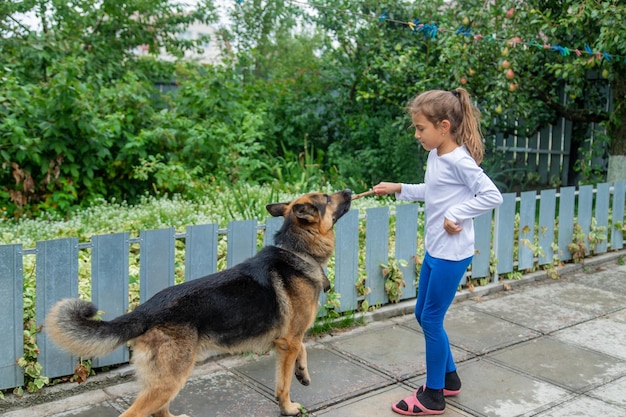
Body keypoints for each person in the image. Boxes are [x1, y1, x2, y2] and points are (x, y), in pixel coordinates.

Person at [373, 88, 503, 416]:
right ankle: (450, 379)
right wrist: (399, 188)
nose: (417, 134)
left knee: (431, 318)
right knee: (422, 314)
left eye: (420, 128)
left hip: (452, 254)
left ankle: (433, 396)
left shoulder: (459, 159)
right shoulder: (436, 156)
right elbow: (432, 191)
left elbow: (492, 195)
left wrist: (457, 215)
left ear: (444, 126)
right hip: (436, 249)